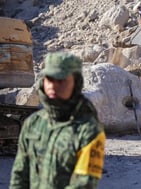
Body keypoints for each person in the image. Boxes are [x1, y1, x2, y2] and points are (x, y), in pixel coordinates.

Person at [10, 52, 106, 189]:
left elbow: (84, 184)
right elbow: (19, 174)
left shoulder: (89, 130)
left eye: (61, 80)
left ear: (76, 83)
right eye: (49, 79)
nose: (53, 86)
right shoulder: (33, 123)